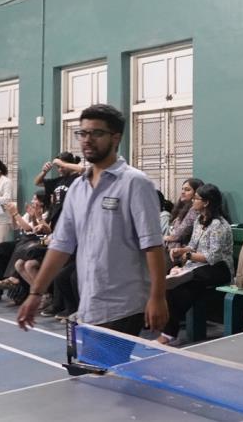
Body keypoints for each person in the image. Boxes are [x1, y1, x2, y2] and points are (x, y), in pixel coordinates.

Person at [16, 104, 168, 338]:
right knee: (94, 362)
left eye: (96, 133)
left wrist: (158, 297)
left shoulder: (135, 183)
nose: (87, 140)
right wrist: (35, 293)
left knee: (100, 361)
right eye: (82, 133)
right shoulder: (78, 187)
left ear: (115, 138)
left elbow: (153, 245)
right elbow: (61, 245)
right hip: (89, 301)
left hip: (124, 304)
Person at [158, 184, 234, 344]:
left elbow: (213, 256)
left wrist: (188, 255)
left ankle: (168, 335)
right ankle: (168, 333)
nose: (193, 201)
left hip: (219, 268)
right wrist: (180, 251)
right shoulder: (199, 221)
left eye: (196, 198)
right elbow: (193, 245)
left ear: (206, 202)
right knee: (178, 288)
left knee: (190, 280)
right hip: (200, 268)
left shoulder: (219, 225)